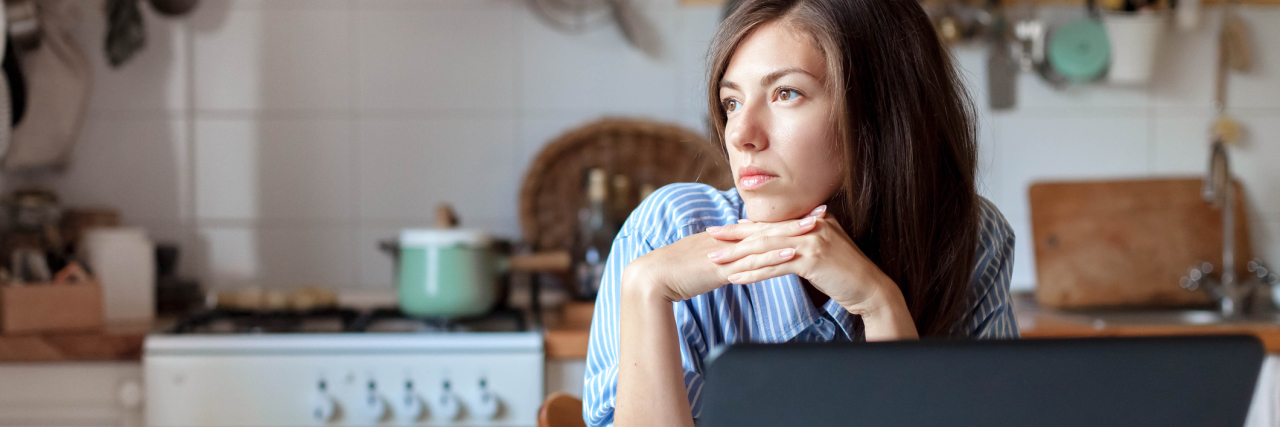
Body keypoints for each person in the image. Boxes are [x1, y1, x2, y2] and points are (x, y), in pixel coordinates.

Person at [583, 0, 1018, 425]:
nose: (740, 135)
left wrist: (880, 305)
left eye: (785, 93)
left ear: (880, 111)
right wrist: (645, 287)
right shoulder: (670, 230)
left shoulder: (969, 237)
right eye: (732, 102)